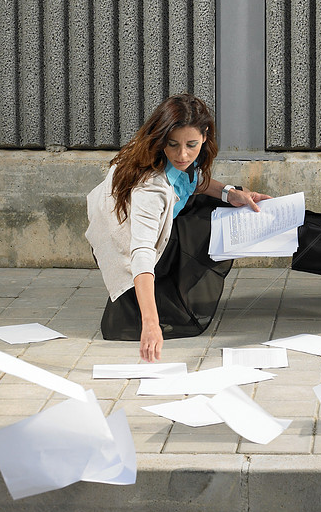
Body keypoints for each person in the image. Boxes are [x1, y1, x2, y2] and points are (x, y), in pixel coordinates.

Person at [85, 94, 270, 360]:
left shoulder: (177, 155)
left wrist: (231, 193)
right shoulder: (150, 187)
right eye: (173, 145)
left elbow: (191, 181)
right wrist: (151, 324)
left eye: (191, 145)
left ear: (205, 136)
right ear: (161, 140)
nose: (183, 155)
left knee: (221, 205)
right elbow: (141, 252)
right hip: (128, 245)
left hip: (149, 228)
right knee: (206, 226)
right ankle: (148, 303)